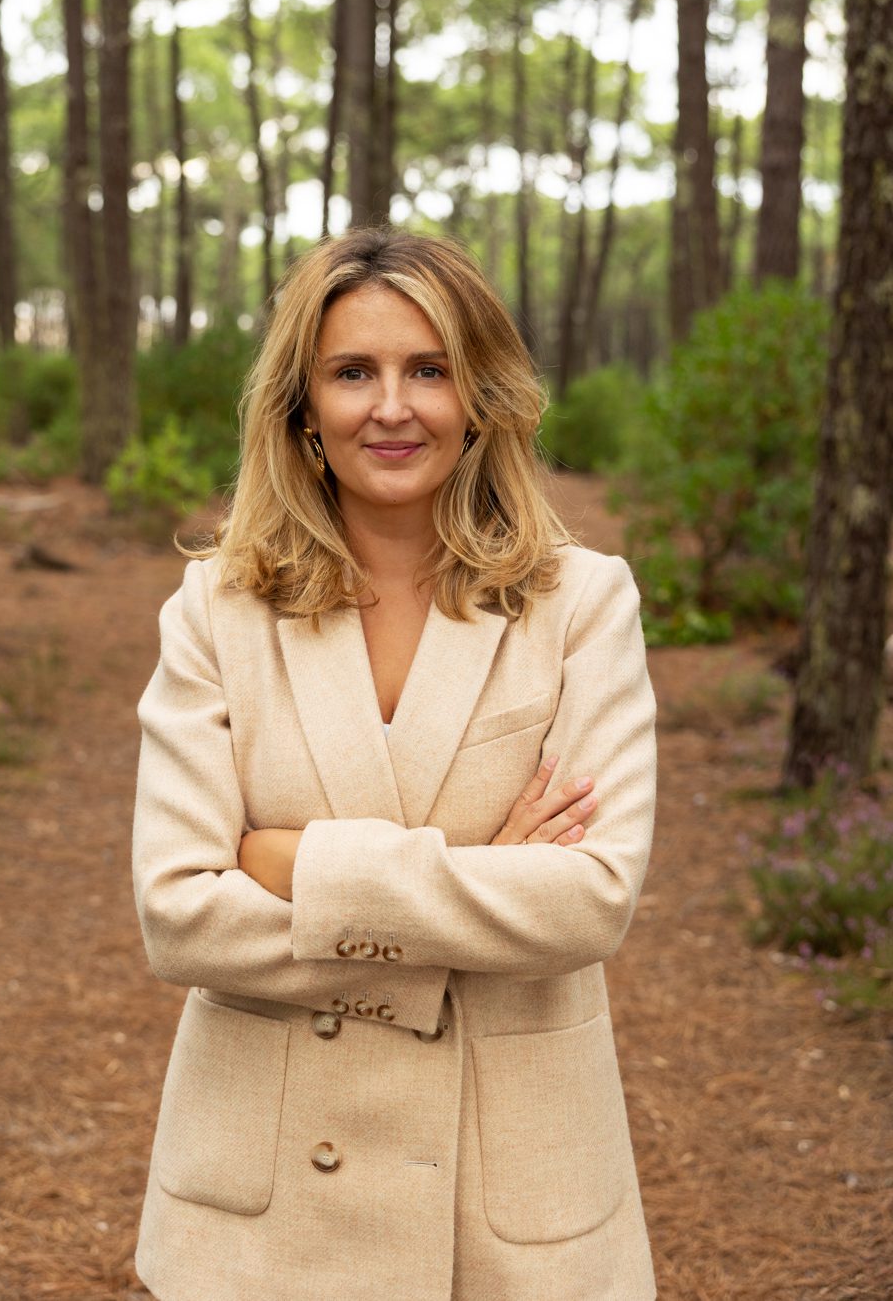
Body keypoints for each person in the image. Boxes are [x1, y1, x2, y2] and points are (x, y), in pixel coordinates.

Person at [131, 228, 658, 1301]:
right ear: (301, 406)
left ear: (481, 395)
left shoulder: (581, 603)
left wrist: (289, 863)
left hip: (505, 1202)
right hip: (265, 1201)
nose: (392, 406)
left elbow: (588, 902)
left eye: (428, 369)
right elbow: (179, 912)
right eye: (352, 371)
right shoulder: (217, 611)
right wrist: (481, 880)